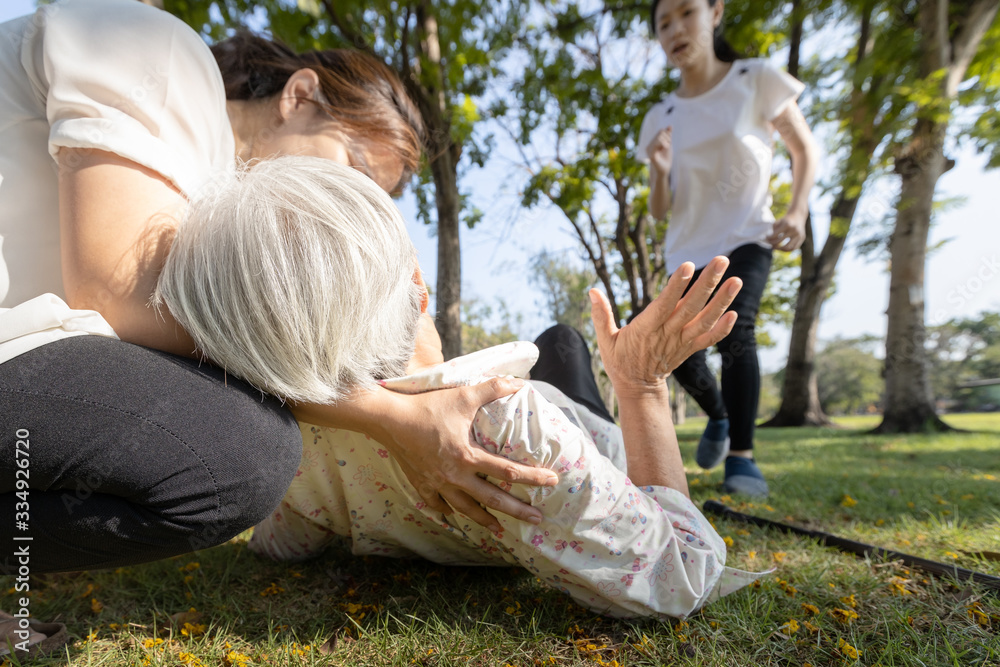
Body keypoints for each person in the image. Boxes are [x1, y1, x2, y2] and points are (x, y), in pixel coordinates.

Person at [0, 0, 554, 583]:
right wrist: (388, 415)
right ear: (300, 96)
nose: (343, 202)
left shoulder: (205, 207)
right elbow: (118, 292)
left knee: (244, 442)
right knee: (239, 452)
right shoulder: (157, 49)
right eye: (352, 170)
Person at [153, 155, 768, 619]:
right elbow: (686, 576)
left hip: (522, 417)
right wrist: (642, 389)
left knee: (558, 345)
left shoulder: (278, 437)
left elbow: (284, 542)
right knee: (562, 343)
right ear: (417, 284)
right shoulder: (511, 428)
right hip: (578, 433)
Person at [639, 0, 820, 497]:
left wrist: (797, 210)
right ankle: (717, 414)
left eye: (686, 13)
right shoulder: (662, 114)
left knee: (737, 330)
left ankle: (742, 458)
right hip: (686, 252)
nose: (676, 28)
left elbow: (803, 147)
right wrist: (658, 170)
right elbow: (659, 209)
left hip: (746, 234)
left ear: (715, 12)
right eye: (663, 23)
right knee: (673, 347)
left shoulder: (754, 79)